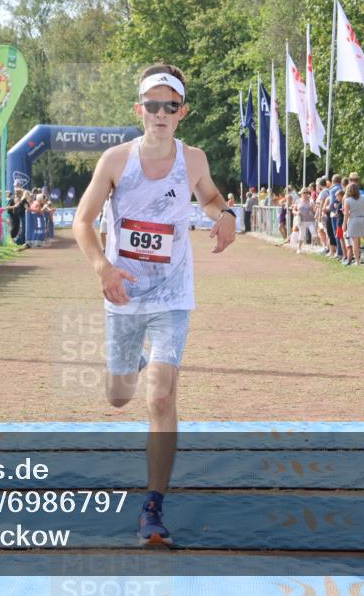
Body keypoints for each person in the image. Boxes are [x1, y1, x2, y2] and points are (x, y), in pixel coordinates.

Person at [73, 64, 235, 547]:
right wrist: (102, 267)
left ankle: (153, 506)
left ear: (181, 112)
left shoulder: (195, 158)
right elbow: (82, 222)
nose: (160, 114)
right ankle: (132, 362)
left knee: (161, 397)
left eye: (170, 106)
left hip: (172, 295)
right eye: (152, 105)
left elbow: (208, 196)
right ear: (138, 110)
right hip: (124, 293)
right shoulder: (115, 161)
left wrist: (223, 213)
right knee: (119, 395)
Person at [342, 183, 364, 266]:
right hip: (362, 219)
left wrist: (344, 224)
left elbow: (346, 214)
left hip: (353, 220)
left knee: (354, 241)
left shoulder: (347, 200)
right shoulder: (363, 198)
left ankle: (357, 261)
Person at [294, 188, 317, 254]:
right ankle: (299, 248)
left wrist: (314, 206)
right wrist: (297, 213)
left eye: (306, 193)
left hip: (310, 220)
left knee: (314, 233)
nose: (305, 194)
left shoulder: (311, 201)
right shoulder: (298, 201)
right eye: (304, 193)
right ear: (301, 194)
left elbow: (314, 210)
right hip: (302, 221)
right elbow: (293, 210)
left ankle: (315, 247)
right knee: (301, 234)